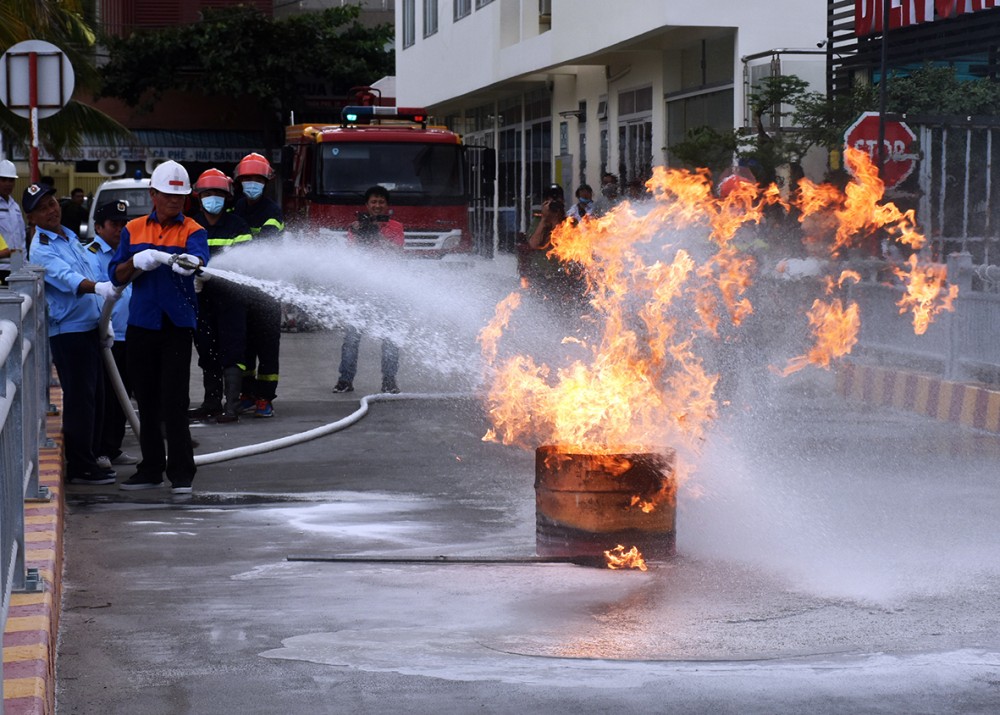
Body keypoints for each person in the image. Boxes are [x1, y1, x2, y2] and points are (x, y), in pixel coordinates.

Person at [109, 160, 209, 494]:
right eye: (168, 195)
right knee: (147, 401)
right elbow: (115, 275)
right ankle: (150, 469)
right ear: (153, 194)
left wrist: (193, 264)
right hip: (141, 323)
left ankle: (182, 474)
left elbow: (199, 262)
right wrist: (134, 261)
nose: (174, 201)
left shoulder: (194, 230)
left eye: (180, 197)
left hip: (177, 325)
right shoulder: (133, 229)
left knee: (174, 401)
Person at [24, 182, 120, 485]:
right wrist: (100, 288)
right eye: (42, 208)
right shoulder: (41, 247)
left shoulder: (68, 237)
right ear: (32, 219)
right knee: (81, 399)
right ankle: (80, 465)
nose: (51, 210)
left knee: (97, 397)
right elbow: (70, 279)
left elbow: (88, 269)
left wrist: (105, 321)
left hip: (90, 327)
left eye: (52, 203)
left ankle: (91, 456)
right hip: (68, 332)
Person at [189, 168, 254, 423]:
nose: (213, 198)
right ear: (199, 196)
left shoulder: (237, 225)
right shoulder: (192, 226)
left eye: (218, 193)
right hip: (201, 300)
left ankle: (232, 406)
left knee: (232, 350)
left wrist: (212, 274)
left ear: (227, 197)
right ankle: (212, 402)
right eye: (208, 193)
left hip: (231, 300)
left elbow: (248, 262)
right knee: (206, 350)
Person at [332, 185, 405, 395]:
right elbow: (352, 254)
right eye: (373, 202)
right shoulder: (356, 227)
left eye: (381, 202)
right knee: (352, 338)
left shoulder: (396, 227)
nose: (377, 205)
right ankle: (345, 380)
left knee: (390, 338)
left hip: (388, 290)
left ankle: (389, 382)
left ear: (387, 206)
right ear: (367, 205)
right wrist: (360, 231)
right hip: (360, 290)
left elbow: (397, 253)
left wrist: (377, 235)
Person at [232, 152, 283, 418]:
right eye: (247, 179)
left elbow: (266, 246)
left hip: (267, 290)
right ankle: (247, 393)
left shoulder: (272, 211)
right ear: (239, 181)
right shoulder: (237, 207)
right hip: (242, 290)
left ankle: (265, 397)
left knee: (266, 346)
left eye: (257, 179)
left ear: (266, 181)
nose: (252, 183)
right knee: (245, 345)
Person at [88, 200, 138, 470]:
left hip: (130, 333)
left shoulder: (130, 252)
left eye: (123, 224)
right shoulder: (91, 255)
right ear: (98, 227)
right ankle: (100, 450)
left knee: (123, 395)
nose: (120, 229)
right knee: (105, 397)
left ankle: (114, 447)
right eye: (114, 225)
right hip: (108, 337)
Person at [0, 160, 25, 278]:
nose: (8, 184)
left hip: (16, 267)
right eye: (3, 180)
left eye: (11, 180)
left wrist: (24, 263)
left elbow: (22, 237)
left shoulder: (15, 207)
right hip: (1, 267)